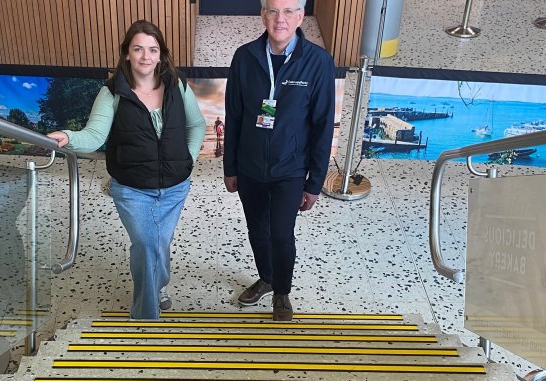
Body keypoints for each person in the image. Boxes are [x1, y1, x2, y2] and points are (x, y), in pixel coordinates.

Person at [49, 20, 206, 319]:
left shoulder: (178, 85)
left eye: (152, 49)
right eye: (138, 49)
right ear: (126, 54)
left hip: (175, 187)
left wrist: (189, 157)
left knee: (159, 241)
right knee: (147, 242)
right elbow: (95, 135)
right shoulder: (111, 92)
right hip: (132, 188)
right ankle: (145, 316)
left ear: (161, 55)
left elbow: (197, 124)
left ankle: (158, 285)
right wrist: (69, 137)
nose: (146, 56)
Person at [223, 0, 335, 321]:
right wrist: (230, 167)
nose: (280, 19)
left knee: (281, 234)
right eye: (273, 11)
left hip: (291, 169)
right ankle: (267, 277)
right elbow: (234, 116)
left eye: (288, 12)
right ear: (263, 15)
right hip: (249, 166)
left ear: (301, 16)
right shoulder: (245, 58)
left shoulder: (317, 62)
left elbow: (322, 126)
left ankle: (282, 291)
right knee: (257, 230)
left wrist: (314, 183)